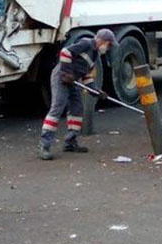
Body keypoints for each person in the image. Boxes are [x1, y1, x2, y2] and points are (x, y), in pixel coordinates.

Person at [38, 29, 117, 160]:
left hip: (72, 80)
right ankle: (44, 145)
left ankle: (70, 142)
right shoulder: (86, 43)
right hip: (61, 77)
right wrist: (67, 73)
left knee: (77, 109)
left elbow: (86, 75)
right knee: (57, 108)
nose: (109, 48)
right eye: (109, 45)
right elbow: (65, 52)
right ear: (103, 41)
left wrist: (95, 91)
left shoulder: (95, 55)